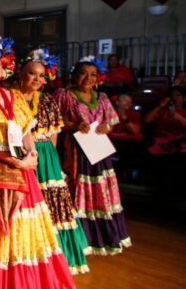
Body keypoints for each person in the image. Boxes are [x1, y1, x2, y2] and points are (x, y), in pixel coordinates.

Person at [0, 35, 74, 288]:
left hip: (20, 163)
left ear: (4, 68)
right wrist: (16, 162)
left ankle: (21, 272)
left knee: (22, 215)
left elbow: (25, 132)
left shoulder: (13, 97)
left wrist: (32, 154)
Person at [17, 49, 90, 275]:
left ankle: (55, 256)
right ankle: (28, 255)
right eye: (32, 74)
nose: (38, 79)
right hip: (21, 154)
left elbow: (53, 135)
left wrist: (54, 162)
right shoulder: (10, 97)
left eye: (41, 75)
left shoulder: (47, 100)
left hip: (46, 156)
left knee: (51, 203)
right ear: (21, 73)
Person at [54, 56, 131, 255]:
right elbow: (52, 120)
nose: (88, 78)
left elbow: (112, 121)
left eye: (93, 75)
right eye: (83, 73)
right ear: (73, 76)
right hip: (73, 151)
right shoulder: (64, 95)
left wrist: (107, 127)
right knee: (76, 188)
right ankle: (78, 239)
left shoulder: (103, 98)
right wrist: (72, 125)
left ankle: (102, 237)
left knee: (99, 190)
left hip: (98, 151)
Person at [109, 94, 144, 181]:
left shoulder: (134, 114)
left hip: (127, 141)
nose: (128, 103)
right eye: (125, 101)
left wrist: (124, 117)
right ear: (117, 102)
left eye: (130, 102)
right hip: (111, 139)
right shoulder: (109, 113)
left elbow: (135, 131)